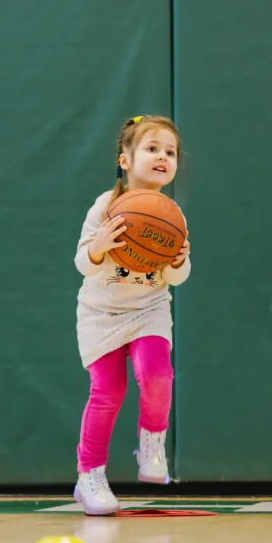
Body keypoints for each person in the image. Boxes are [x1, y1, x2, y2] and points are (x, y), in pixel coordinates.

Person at [73, 115, 191, 515]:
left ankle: (152, 444)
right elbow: (82, 264)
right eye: (152, 148)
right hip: (101, 311)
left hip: (148, 308)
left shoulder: (171, 215)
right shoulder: (105, 207)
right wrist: (99, 246)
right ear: (125, 159)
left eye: (170, 152)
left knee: (157, 373)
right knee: (107, 392)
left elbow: (177, 276)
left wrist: (178, 259)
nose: (163, 157)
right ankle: (89, 476)